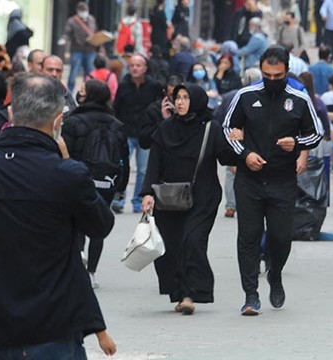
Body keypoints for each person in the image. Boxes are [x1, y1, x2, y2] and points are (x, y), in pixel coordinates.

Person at [0, 73, 116, 359]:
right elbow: (100, 225)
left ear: (11, 113)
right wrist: (68, 162)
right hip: (52, 329)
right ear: (57, 120)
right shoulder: (67, 175)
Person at [223, 46, 323, 315]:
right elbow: (226, 129)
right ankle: (250, 296)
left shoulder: (299, 98)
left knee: (281, 236)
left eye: (278, 75)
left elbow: (317, 133)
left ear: (287, 71)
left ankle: (275, 273)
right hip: (249, 179)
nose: (272, 80)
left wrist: (297, 143)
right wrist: (244, 155)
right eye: (267, 74)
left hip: (282, 179)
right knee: (248, 236)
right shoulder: (246, 96)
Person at [141, 83, 235, 315]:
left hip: (203, 196)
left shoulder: (211, 129)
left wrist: (236, 140)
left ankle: (191, 293)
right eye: (177, 97)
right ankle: (180, 292)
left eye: (185, 97)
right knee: (171, 247)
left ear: (197, 100)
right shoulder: (165, 128)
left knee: (192, 242)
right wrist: (147, 193)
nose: (180, 102)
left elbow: (226, 157)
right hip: (169, 197)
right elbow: (154, 162)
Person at [63, 79, 129, 289]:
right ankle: (92, 271)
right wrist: (121, 185)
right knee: (98, 225)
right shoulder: (116, 124)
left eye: (82, 91)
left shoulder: (74, 121)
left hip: (79, 177)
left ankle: (79, 261)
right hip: (107, 181)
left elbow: (65, 151)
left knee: (78, 222)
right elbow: (124, 158)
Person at [112, 54, 161, 213]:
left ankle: (138, 200)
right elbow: (116, 108)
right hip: (125, 132)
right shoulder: (123, 84)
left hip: (145, 134)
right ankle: (119, 198)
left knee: (143, 170)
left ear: (145, 68)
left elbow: (158, 108)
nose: (135, 68)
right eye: (132, 65)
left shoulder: (153, 86)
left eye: (138, 65)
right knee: (121, 167)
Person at [215, 67, 263, 218]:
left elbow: (219, 117)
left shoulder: (230, 96)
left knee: (232, 172)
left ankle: (231, 205)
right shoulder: (260, 97)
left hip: (233, 139)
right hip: (248, 141)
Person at [59, 1, 97, 92]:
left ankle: (89, 91)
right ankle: (69, 93)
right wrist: (64, 39)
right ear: (78, 11)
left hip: (90, 49)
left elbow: (94, 32)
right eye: (82, 10)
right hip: (77, 49)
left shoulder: (91, 19)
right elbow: (67, 33)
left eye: (85, 10)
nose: (84, 12)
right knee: (73, 73)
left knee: (90, 72)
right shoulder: (72, 21)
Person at [139, 74, 184, 150]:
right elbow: (144, 143)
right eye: (173, 95)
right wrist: (164, 121)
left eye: (181, 95)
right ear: (165, 93)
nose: (178, 100)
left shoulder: (190, 108)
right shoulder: (154, 109)